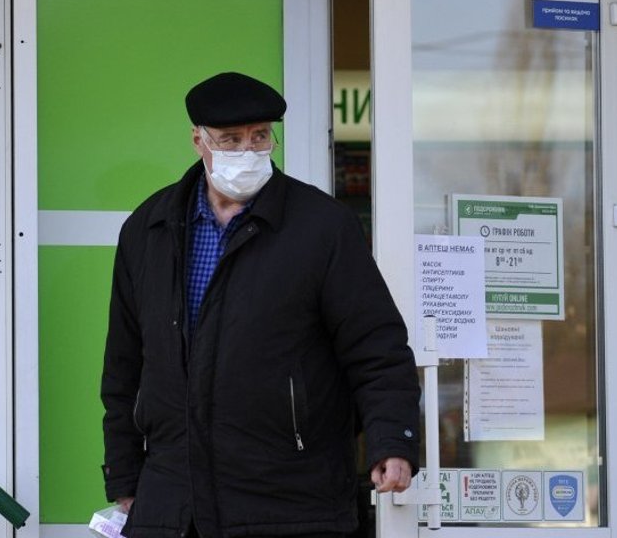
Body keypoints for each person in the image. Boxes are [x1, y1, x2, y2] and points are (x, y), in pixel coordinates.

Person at [100, 71, 421, 538]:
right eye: (230, 139)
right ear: (198, 141)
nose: (248, 152)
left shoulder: (321, 227)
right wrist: (125, 476)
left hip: (291, 499)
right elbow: (124, 367)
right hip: (174, 503)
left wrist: (393, 441)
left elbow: (376, 346)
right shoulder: (149, 230)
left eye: (260, 137)